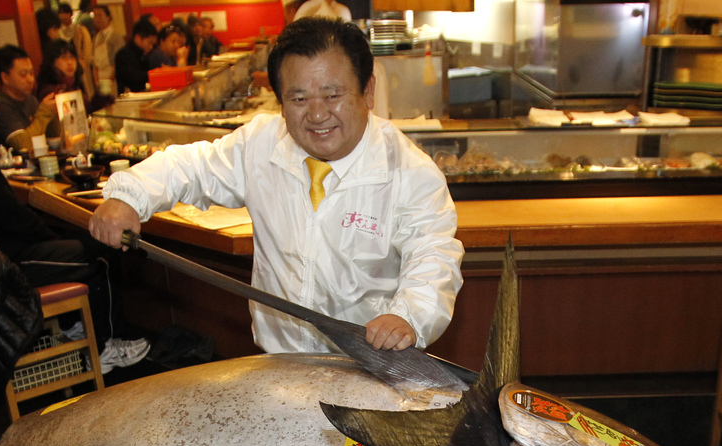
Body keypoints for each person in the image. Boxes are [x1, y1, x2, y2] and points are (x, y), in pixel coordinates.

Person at [89, 18, 463, 354]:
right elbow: (191, 166)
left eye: (333, 95)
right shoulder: (262, 143)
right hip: (280, 365)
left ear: (367, 91)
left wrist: (407, 316)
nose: (317, 114)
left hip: (369, 367)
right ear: (281, 101)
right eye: (299, 98)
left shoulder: (411, 172)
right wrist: (129, 195)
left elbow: (434, 257)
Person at [0, 73, 150, 371]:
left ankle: (77, 328)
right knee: (102, 250)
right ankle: (103, 346)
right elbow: (10, 215)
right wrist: (51, 239)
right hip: (1, 264)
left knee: (78, 243)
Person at [0, 44, 56, 152]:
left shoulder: (31, 100)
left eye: (31, 73)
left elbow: (51, 137)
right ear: (5, 78)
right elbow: (23, 145)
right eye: (23, 74)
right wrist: (45, 113)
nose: (30, 79)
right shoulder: (0, 105)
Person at [35, 39, 90, 139]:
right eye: (63, 57)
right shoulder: (49, 91)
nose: (70, 62)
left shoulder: (74, 84)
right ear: (52, 62)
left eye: (72, 57)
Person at [58, 2, 94, 97]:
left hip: (81, 64)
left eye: (65, 13)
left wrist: (83, 62)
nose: (63, 16)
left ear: (70, 14)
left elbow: (87, 48)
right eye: (60, 13)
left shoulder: (80, 29)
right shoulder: (58, 32)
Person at [114, 20, 158, 94]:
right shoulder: (124, 55)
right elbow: (134, 78)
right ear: (138, 38)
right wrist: (154, 74)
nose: (151, 47)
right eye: (149, 43)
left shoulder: (143, 54)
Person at [91, 5, 124, 96]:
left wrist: (108, 82)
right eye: (95, 16)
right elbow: (95, 64)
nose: (97, 19)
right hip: (99, 78)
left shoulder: (115, 37)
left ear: (108, 17)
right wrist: (96, 82)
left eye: (100, 15)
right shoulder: (96, 38)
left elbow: (117, 63)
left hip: (113, 79)